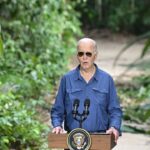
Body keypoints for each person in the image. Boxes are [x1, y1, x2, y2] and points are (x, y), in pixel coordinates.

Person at [51, 38, 122, 143]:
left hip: (100, 139)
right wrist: (57, 125)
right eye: (81, 54)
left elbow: (115, 110)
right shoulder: (67, 79)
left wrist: (114, 127)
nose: (84, 58)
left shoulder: (106, 79)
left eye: (88, 54)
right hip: (73, 139)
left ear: (95, 55)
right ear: (77, 56)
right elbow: (58, 109)